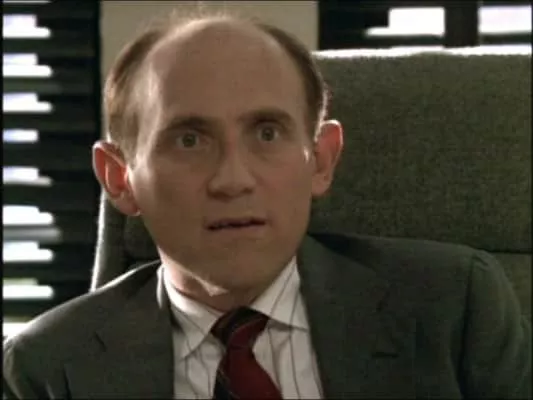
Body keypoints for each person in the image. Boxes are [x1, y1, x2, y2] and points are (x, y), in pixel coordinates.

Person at [3, 11, 531, 400]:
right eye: (189, 140)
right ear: (120, 179)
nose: (233, 180)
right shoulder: (47, 370)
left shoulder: (453, 310)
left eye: (267, 133)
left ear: (321, 160)